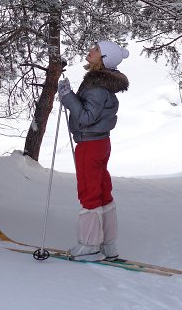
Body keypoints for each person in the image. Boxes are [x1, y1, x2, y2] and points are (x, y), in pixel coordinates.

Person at [57, 40, 129, 262]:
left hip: (90, 144)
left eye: (96, 49)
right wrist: (70, 95)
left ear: (104, 59)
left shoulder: (97, 86)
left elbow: (86, 117)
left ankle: (89, 246)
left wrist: (67, 97)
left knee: (89, 191)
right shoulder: (101, 83)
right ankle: (108, 244)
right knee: (102, 190)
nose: (91, 50)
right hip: (100, 143)